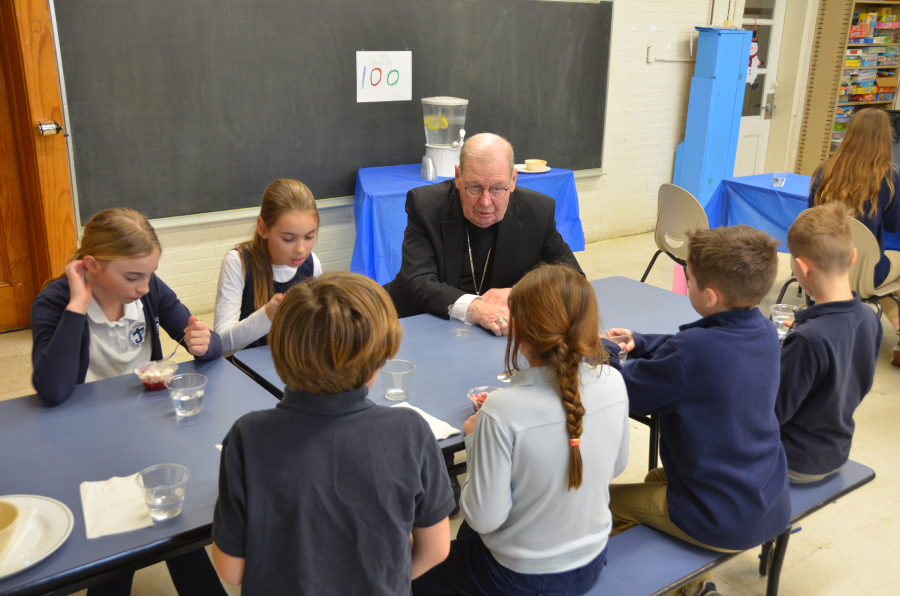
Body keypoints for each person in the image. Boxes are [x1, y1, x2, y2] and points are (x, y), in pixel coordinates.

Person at [211, 271, 454, 595]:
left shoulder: (247, 436)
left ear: (280, 351)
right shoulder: (411, 432)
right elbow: (436, 549)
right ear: (379, 359)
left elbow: (231, 569)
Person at [29, 208, 227, 596]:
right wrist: (77, 306)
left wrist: (207, 341)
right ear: (91, 265)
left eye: (149, 274)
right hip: (86, 436)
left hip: (148, 423)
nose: (144, 286)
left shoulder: (148, 289)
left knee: (174, 516)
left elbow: (200, 338)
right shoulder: (54, 302)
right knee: (120, 536)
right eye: (133, 277)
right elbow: (52, 390)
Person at [412, 264, 629, 596]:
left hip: (519, 578)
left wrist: (473, 438)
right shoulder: (613, 381)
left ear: (519, 331)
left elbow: (484, 518)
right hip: (592, 560)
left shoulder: (501, 412)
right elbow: (617, 466)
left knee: (413, 570)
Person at [606, 226, 790, 584]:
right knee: (654, 479)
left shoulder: (692, 352)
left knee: (600, 503)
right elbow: (696, 348)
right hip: (766, 498)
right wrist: (640, 342)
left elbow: (620, 390)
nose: (685, 283)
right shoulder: (765, 331)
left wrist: (606, 353)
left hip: (719, 518)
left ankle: (638, 583)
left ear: (708, 296)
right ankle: (684, 583)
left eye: (687, 279)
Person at [387, 133, 583, 336]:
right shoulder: (425, 207)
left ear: (513, 180)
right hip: (422, 324)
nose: (486, 202)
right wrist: (476, 308)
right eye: (474, 187)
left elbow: (574, 280)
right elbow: (418, 283)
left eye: (498, 188)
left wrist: (518, 295)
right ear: (458, 176)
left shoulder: (537, 212)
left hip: (494, 336)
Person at [777, 204, 882, 483]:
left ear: (800, 267)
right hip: (835, 452)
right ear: (853, 257)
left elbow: (773, 413)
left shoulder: (808, 339)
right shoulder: (869, 319)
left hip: (793, 460)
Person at [808, 108, 900, 364]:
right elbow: (894, 226)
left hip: (822, 266)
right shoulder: (889, 177)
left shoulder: (824, 171)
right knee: (895, 265)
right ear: (885, 138)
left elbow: (809, 218)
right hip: (864, 271)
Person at [214, 178, 322, 353]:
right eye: (288, 239)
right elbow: (222, 344)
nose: (301, 249)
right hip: (245, 372)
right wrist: (267, 315)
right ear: (263, 228)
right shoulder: (238, 262)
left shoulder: (312, 264)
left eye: (309, 237)